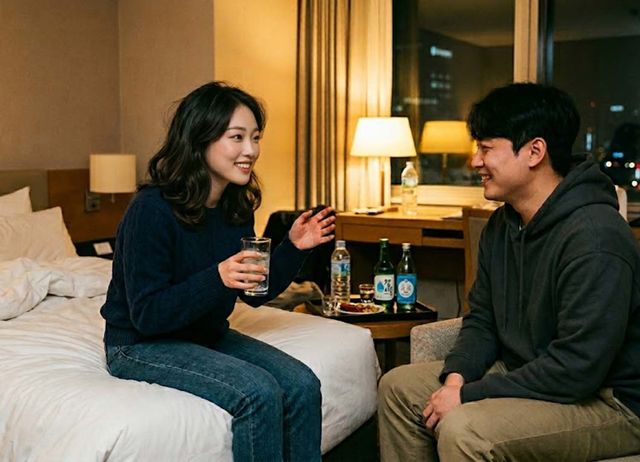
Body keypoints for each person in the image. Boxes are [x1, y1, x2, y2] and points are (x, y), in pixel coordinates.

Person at [378, 83, 640, 461]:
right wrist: (455, 380)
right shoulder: (503, 224)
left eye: (486, 149)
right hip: (528, 370)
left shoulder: (595, 237)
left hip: (609, 400)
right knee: (397, 387)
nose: (475, 162)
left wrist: (467, 396)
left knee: (465, 430)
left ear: (535, 151)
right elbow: (482, 320)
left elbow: (577, 369)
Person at [101, 81, 335, 461]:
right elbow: (147, 315)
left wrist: (292, 247)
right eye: (237, 137)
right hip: (139, 344)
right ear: (200, 138)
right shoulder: (151, 209)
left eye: (255, 138)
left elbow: (254, 293)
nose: (251, 150)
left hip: (204, 333)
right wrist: (217, 277)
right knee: (257, 392)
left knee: (302, 384)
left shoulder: (234, 206)